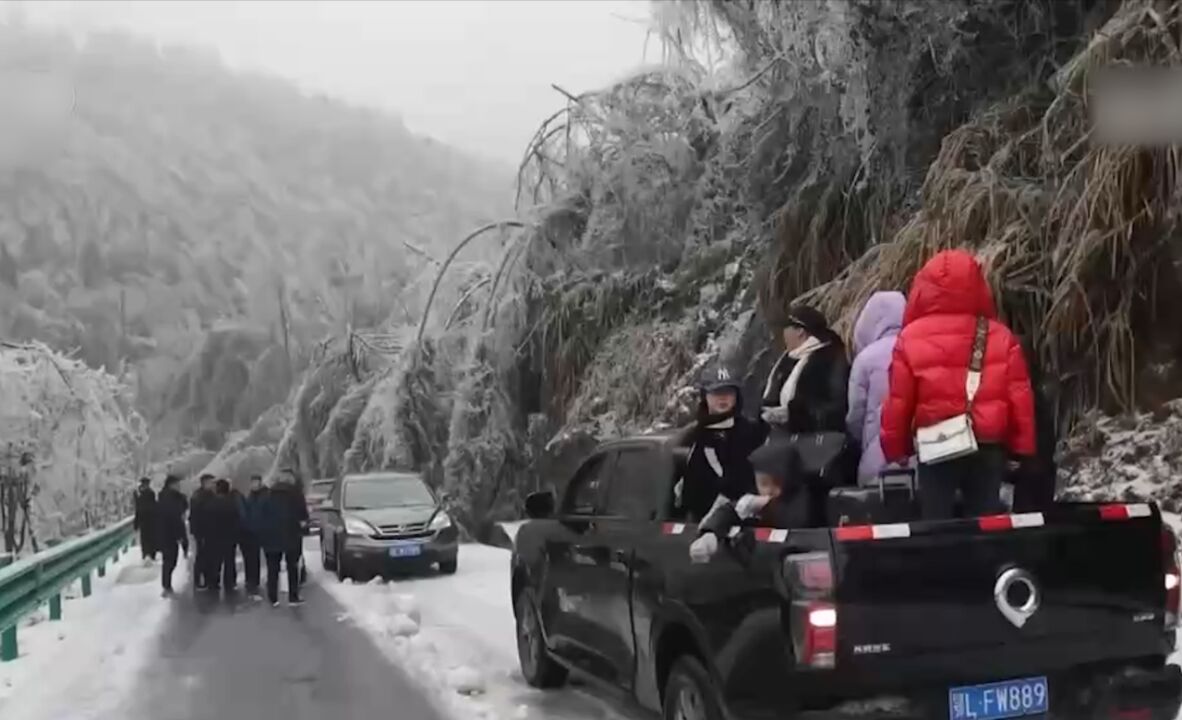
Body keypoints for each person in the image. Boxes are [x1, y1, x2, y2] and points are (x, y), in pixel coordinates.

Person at [880, 249, 1036, 520]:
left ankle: (943, 561)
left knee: (937, 521)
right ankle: (984, 561)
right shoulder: (1000, 335)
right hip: (988, 446)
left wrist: (896, 448)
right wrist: (1022, 448)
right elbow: (1019, 396)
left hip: (936, 445)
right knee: (985, 522)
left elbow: (899, 400)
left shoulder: (910, 338)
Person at [673, 362, 768, 521]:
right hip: (696, 519)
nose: (723, 398)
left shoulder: (750, 432)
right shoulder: (697, 432)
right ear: (705, 395)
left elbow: (744, 482)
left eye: (728, 391)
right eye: (716, 392)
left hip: (732, 520)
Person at [689, 440, 810, 563]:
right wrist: (711, 533)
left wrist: (768, 506)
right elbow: (729, 510)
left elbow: (797, 521)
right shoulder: (754, 496)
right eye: (764, 484)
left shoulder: (803, 499)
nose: (770, 490)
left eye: (777, 483)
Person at [846, 291, 910, 484]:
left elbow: (856, 413)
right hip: (918, 456)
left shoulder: (865, 359)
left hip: (876, 457)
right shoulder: (919, 347)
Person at [760, 304, 850, 436]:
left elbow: (838, 407)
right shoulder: (788, 359)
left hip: (817, 445)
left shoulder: (830, 359)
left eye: (786, 328)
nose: (783, 333)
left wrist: (795, 415)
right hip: (785, 441)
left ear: (800, 332)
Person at [260, 469, 309, 607]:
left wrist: (263, 535)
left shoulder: (268, 494)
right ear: (291, 479)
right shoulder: (296, 494)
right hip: (291, 536)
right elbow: (303, 517)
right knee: (292, 567)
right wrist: (304, 529)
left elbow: (262, 516)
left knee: (272, 568)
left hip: (271, 537)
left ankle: (273, 597)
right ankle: (293, 596)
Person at [156, 475, 189, 597]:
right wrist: (181, 535)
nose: (179, 486)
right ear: (171, 485)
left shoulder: (170, 497)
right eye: (177, 484)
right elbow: (174, 518)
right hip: (168, 534)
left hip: (167, 534)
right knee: (169, 561)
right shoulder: (169, 499)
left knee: (170, 561)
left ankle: (167, 586)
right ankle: (166, 588)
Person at [209, 479, 241, 593]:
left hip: (215, 537)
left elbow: (207, 521)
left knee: (215, 561)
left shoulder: (212, 503)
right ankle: (230, 583)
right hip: (229, 536)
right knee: (229, 561)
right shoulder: (231, 503)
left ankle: (214, 582)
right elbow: (237, 519)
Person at [240, 474, 268, 597]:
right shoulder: (250, 496)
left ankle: (271, 579)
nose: (254, 484)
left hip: (265, 529)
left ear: (260, 482)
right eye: (253, 482)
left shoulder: (266, 495)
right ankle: (252, 580)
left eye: (256, 482)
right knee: (252, 557)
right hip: (251, 531)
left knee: (269, 556)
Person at [189, 474, 216, 590]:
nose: (212, 484)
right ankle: (198, 580)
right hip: (202, 531)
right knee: (201, 556)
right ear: (204, 482)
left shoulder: (210, 495)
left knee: (209, 555)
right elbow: (195, 516)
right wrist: (197, 532)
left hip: (209, 531)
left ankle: (208, 579)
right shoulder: (198, 497)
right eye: (210, 482)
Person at [132, 477, 157, 562]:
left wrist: (136, 523)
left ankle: (147, 554)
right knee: (149, 538)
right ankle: (149, 554)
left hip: (146, 520)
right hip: (150, 520)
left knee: (146, 539)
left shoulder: (143, 495)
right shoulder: (149, 494)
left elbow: (138, 509)